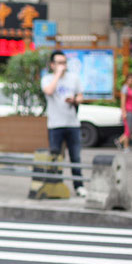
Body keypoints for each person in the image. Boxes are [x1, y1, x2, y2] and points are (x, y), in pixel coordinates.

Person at [41, 50, 87, 197]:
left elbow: (80, 96)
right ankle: (55, 185)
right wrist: (57, 76)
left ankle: (79, 186)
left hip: (72, 123)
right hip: (55, 125)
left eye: (64, 62)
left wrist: (75, 100)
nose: (63, 65)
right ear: (52, 65)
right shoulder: (47, 79)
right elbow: (49, 91)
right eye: (59, 63)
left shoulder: (74, 78)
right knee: (55, 156)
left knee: (76, 157)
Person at [115, 73, 132, 152]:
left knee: (131, 130)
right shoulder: (125, 88)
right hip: (127, 112)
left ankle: (119, 142)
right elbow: (122, 102)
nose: (131, 80)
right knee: (128, 130)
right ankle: (125, 146)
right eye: (129, 79)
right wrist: (123, 112)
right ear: (127, 80)